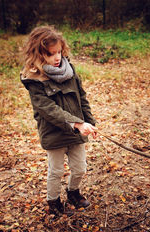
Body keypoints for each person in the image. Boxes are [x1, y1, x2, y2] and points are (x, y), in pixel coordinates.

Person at [20, 25, 98, 215]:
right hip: (54, 133)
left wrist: (90, 122)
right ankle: (53, 202)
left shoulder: (69, 70)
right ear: (38, 54)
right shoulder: (34, 79)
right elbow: (48, 109)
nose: (57, 58)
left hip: (76, 131)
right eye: (50, 54)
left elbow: (82, 97)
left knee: (80, 168)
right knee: (55, 172)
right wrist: (77, 124)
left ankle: (73, 193)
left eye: (59, 52)